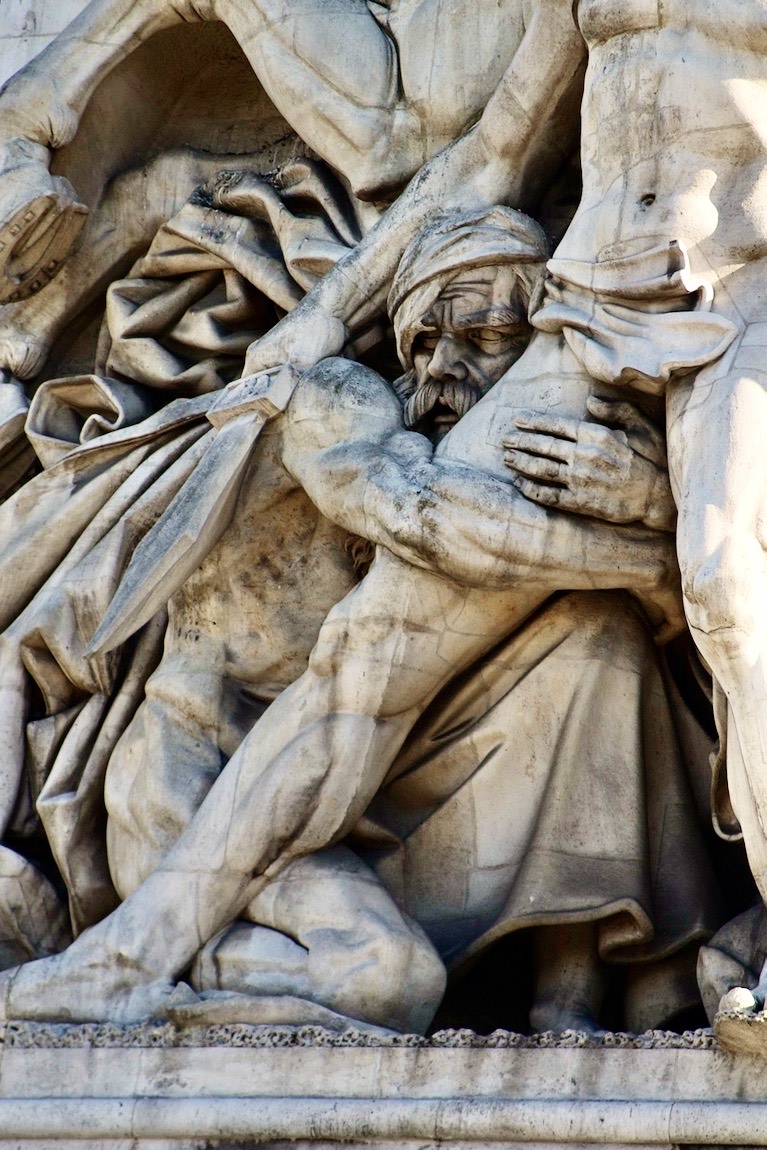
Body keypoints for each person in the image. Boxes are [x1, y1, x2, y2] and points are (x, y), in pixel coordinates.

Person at [0, 206, 701, 1030]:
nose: (442, 366)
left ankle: (568, 996)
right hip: (197, 791)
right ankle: (115, 965)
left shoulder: (532, 488)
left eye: (482, 339)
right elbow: (424, 515)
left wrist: (652, 504)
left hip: (379, 789)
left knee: (596, 633)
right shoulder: (333, 400)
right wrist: (656, 544)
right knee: (385, 982)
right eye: (422, 342)